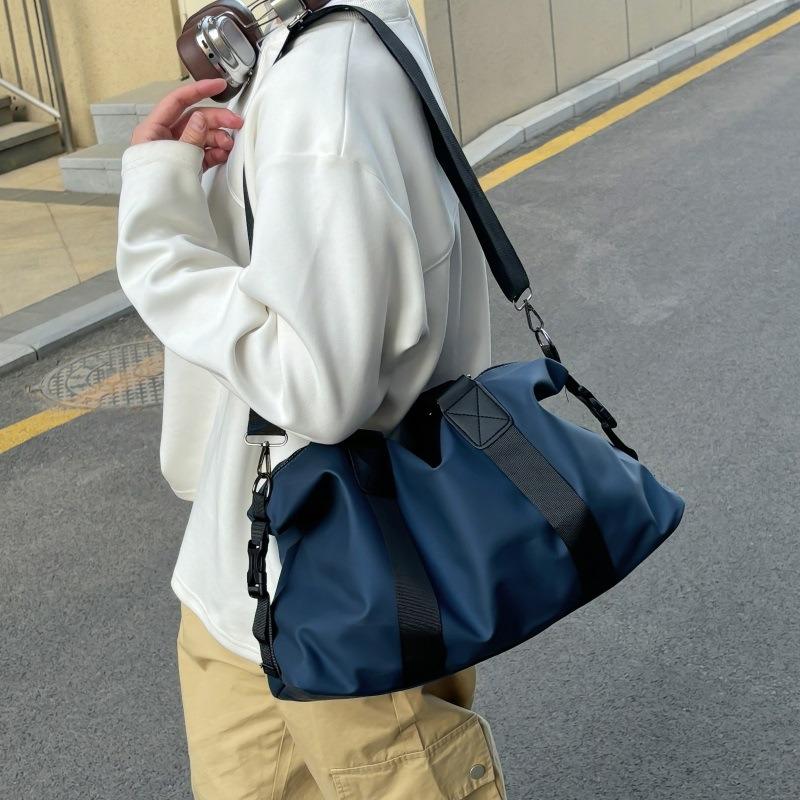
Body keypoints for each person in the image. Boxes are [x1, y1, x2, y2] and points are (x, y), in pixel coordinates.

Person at [115, 0, 505, 797]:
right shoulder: (328, 43)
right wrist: (193, 188)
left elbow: (316, 387)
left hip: (336, 583)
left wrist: (155, 238)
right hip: (244, 575)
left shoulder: (323, 86)